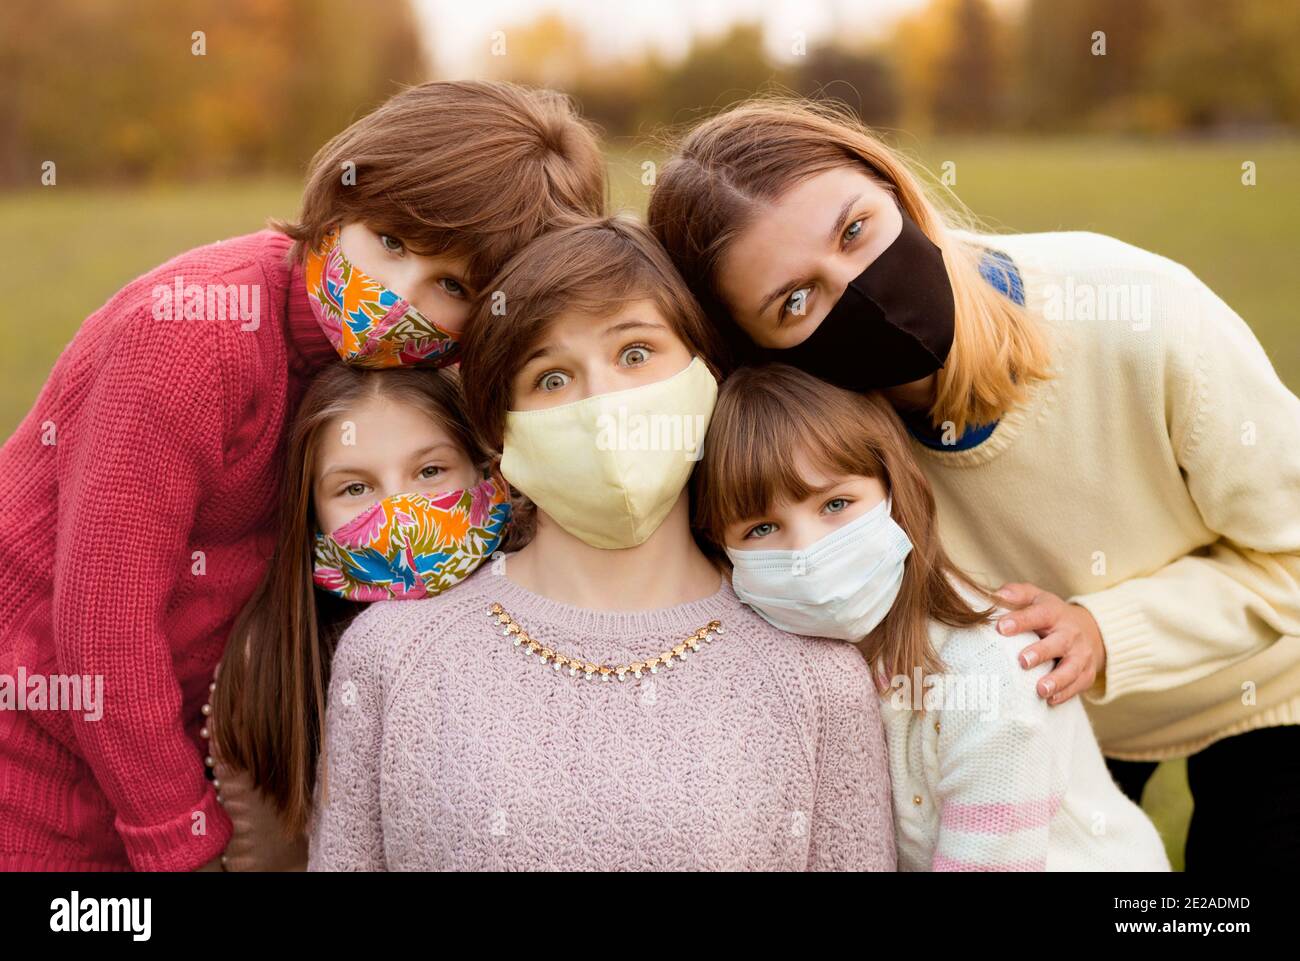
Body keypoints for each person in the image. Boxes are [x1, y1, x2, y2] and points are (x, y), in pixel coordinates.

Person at [648, 97, 1300, 869]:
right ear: (759, 351)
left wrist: (1103, 630)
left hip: (1258, 685)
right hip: (1040, 710)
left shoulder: (1141, 312)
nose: (857, 288)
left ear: (892, 183)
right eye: (794, 301)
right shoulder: (825, 457)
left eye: (856, 230)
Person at [0, 80, 604, 871]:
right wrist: (180, 838)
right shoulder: (191, 340)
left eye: (451, 287)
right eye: (389, 240)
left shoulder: (401, 384)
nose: (396, 295)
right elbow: (103, 622)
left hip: (172, 753)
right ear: (343, 196)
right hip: (38, 759)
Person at [306, 217, 897, 871]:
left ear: (709, 374)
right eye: (551, 379)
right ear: (502, 435)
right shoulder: (392, 654)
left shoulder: (817, 678)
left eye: (636, 354)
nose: (602, 402)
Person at [694, 363, 1170, 870]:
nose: (809, 552)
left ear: (897, 493)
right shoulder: (771, 667)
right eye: (762, 529)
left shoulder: (990, 672)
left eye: (836, 503)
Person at [205, 364, 511, 871]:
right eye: (354, 489)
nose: (400, 510)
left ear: (484, 472)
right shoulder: (275, 661)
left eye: (430, 472)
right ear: (314, 518)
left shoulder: (549, 604)